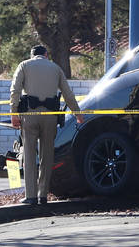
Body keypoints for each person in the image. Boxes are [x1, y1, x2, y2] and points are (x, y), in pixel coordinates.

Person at [9, 45, 84, 205]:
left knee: (29, 155)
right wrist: (77, 113)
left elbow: (15, 90)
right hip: (50, 117)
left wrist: (13, 113)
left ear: (32, 55)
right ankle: (43, 195)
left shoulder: (24, 65)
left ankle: (31, 196)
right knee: (47, 156)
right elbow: (68, 94)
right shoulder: (56, 68)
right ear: (46, 55)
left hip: (29, 115)